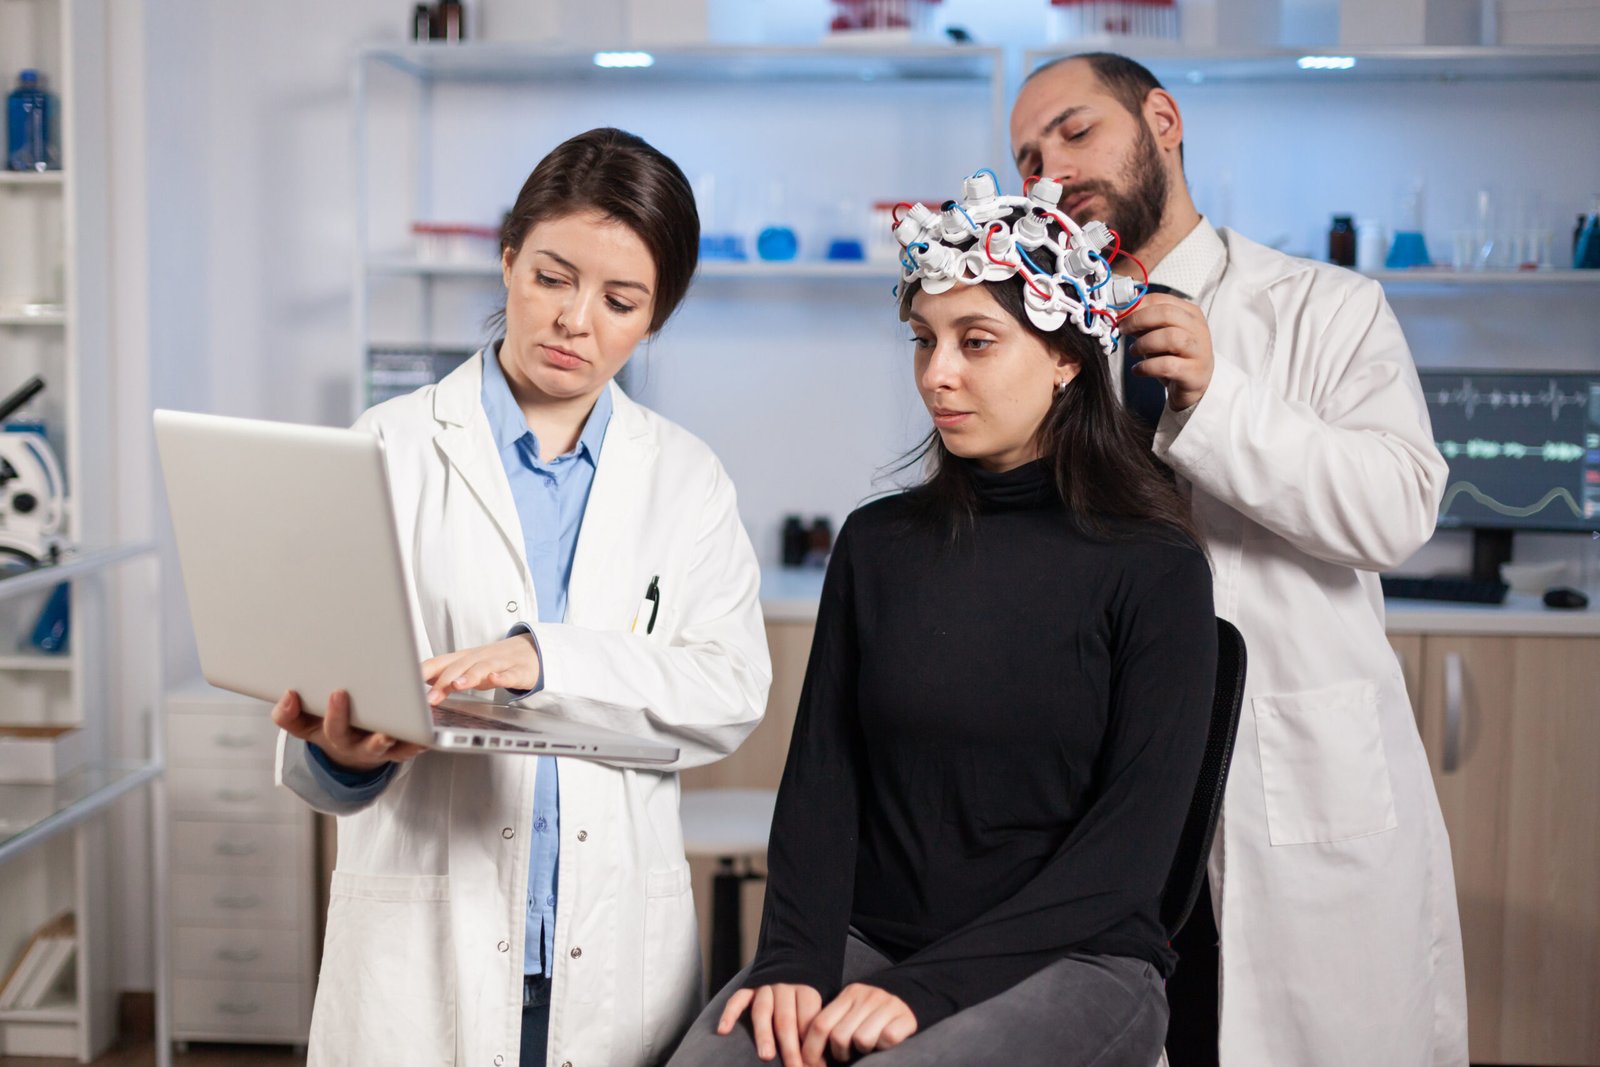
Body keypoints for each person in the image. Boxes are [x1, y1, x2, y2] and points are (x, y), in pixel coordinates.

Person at [667, 177, 1218, 1067]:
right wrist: (794, 959)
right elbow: (822, 781)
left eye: (976, 342)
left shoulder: (1154, 566)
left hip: (1075, 958)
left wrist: (921, 991)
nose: (937, 374)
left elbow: (1126, 858)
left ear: (1067, 357)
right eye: (924, 340)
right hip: (874, 941)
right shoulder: (878, 544)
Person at [269, 127, 772, 1067]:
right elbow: (319, 706)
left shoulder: (687, 480)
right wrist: (341, 755)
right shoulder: (387, 447)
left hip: (613, 948)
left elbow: (731, 691)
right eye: (551, 277)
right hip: (424, 944)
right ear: (507, 263)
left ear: (653, 319)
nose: (576, 319)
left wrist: (549, 659)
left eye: (621, 300)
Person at [1009, 54, 1467, 1066]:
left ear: (1161, 120)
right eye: (1028, 158)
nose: (1051, 171)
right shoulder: (1047, 343)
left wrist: (1220, 399)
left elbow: (1399, 509)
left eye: (1074, 132)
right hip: (1104, 796)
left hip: (1283, 786)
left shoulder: (1324, 307)